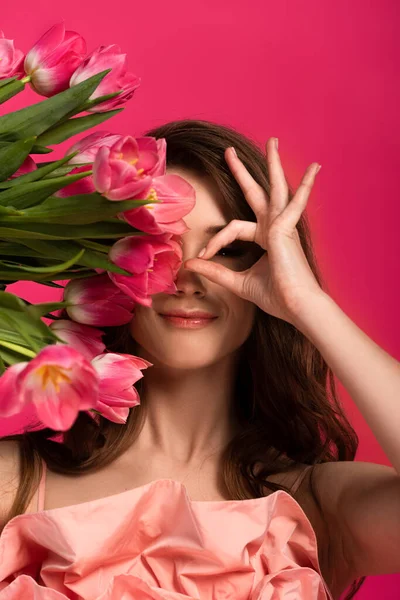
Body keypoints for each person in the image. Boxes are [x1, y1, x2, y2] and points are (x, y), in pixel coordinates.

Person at [0, 119, 399, 600]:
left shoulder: (319, 506)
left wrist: (306, 304)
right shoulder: (15, 484)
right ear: (110, 267)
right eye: (161, 244)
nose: (188, 276)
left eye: (228, 249)